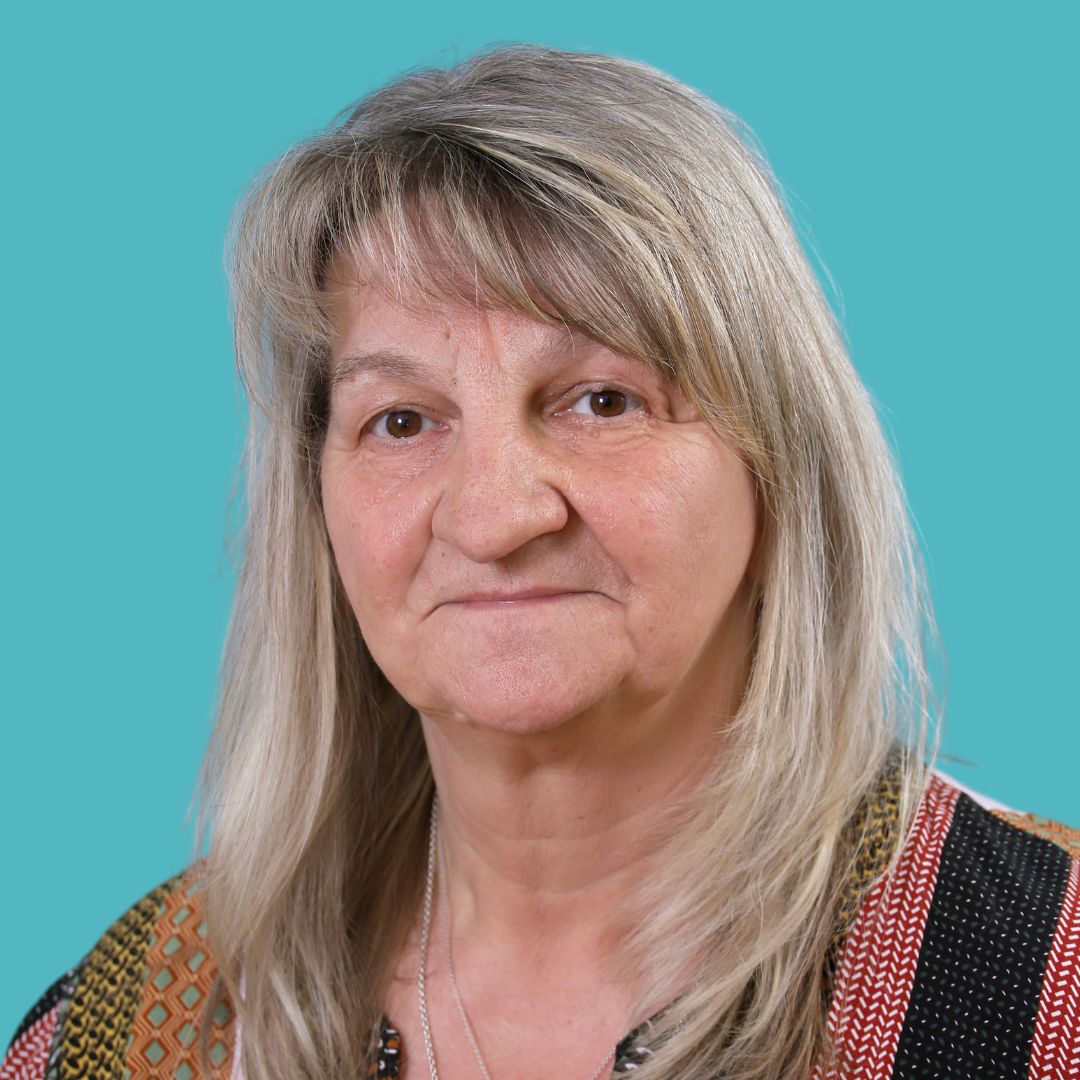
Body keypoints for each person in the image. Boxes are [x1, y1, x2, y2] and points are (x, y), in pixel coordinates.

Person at [5, 44, 1078, 1080]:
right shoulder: (112, 1036)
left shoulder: (1051, 987)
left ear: (779, 469)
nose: (494, 516)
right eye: (402, 420)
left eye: (602, 401)